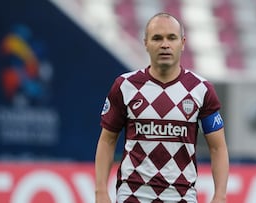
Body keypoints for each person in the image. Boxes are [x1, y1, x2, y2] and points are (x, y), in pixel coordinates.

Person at [95, 12, 229, 203]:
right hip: (133, 197)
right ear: (146, 43)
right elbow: (107, 141)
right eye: (157, 38)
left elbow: (218, 148)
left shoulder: (201, 89)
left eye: (171, 38)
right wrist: (100, 192)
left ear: (182, 43)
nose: (165, 44)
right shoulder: (125, 86)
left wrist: (220, 196)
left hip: (181, 197)